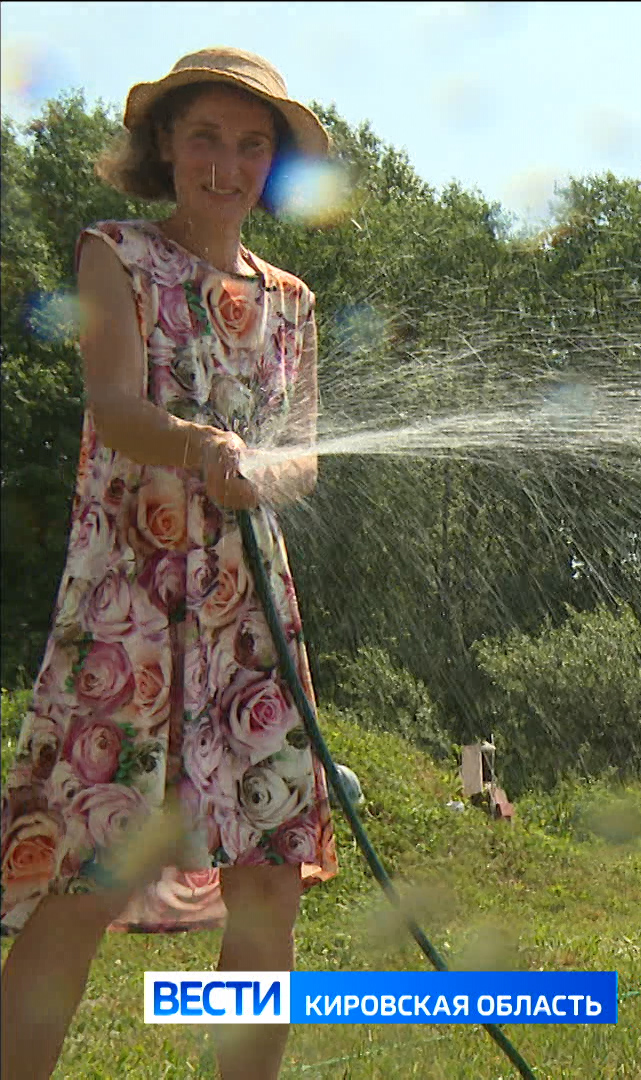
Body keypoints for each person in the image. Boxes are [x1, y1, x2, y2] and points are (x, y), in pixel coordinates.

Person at [0, 47, 337, 1080]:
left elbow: (307, 457)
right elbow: (113, 408)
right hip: (129, 608)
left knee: (269, 884)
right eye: (205, 138)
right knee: (84, 874)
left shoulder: (293, 301)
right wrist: (204, 447)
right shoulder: (115, 254)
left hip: (248, 617)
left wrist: (263, 473)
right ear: (165, 145)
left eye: (252, 144)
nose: (227, 165)